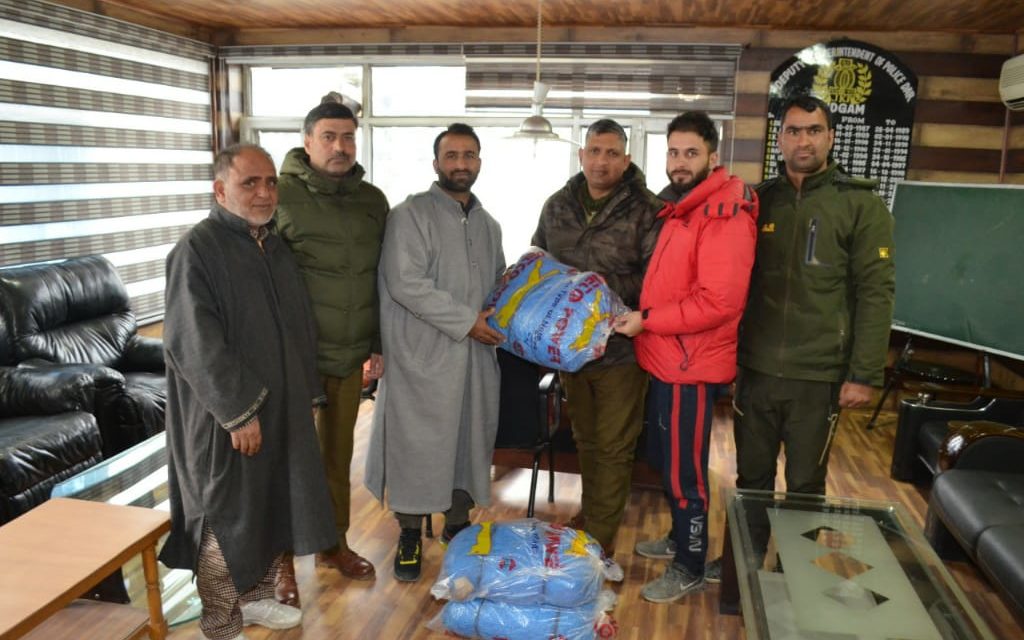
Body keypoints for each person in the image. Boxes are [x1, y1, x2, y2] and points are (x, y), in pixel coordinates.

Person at [161, 144, 336, 640]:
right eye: (249, 183)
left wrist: (306, 393)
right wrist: (238, 413)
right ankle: (219, 621)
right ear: (220, 191)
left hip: (281, 406)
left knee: (272, 503)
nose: (264, 193)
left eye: (270, 183)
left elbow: (298, 325)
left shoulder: (273, 245)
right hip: (224, 417)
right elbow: (194, 341)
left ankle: (257, 600)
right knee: (225, 517)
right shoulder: (197, 249)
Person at [719, 93, 894, 570]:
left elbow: (877, 293)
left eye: (813, 130)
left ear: (830, 137)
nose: (803, 140)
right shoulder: (759, 202)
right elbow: (734, 284)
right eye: (794, 130)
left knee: (805, 485)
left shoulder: (860, 204)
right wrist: (729, 359)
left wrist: (863, 373)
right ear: (780, 138)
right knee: (750, 478)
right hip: (755, 370)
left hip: (818, 375)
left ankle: (794, 576)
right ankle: (742, 567)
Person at [613, 112, 758, 603]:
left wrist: (647, 318)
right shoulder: (686, 207)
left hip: (688, 364)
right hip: (668, 358)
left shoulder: (723, 215)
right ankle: (680, 537)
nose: (679, 162)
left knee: (684, 475)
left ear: (713, 157)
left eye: (690, 153)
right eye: (673, 152)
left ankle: (691, 563)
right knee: (667, 460)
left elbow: (719, 302)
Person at [365, 123, 505, 582]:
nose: (461, 164)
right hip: (421, 359)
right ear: (436, 164)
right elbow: (406, 284)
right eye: (452, 156)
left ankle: (458, 523)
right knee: (418, 447)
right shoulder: (409, 215)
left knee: (469, 439)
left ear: (481, 163)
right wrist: (469, 322)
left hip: (475, 358)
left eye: (469, 155)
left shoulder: (489, 224)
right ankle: (408, 533)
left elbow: (498, 286)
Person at [273, 99, 389, 597]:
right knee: (287, 460)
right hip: (291, 360)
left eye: (347, 137)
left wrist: (378, 344)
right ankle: (279, 561)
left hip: (347, 356)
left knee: (336, 458)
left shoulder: (372, 200)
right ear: (307, 141)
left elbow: (383, 278)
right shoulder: (275, 196)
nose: (340, 147)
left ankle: (332, 543)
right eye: (328, 137)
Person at [531, 118, 663, 555]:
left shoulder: (648, 209)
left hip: (620, 350)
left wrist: (600, 300)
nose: (601, 160)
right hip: (572, 353)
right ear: (582, 155)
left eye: (611, 153)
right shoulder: (557, 205)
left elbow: (658, 281)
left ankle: (599, 541)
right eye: (594, 151)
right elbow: (538, 261)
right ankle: (594, 513)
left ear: (626, 160)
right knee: (586, 440)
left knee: (613, 446)